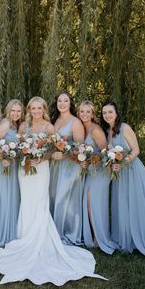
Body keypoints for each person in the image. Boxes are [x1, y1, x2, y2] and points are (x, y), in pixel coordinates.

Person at [0, 97, 105, 285]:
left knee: (39, 201)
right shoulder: (23, 127)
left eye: (40, 108)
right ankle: (24, 236)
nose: (36, 111)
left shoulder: (48, 127)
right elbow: (19, 148)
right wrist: (21, 156)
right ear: (29, 109)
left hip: (41, 169)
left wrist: (42, 158)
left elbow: (56, 148)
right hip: (24, 169)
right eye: (33, 108)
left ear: (44, 109)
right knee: (27, 201)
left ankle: (40, 238)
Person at [101, 100, 145, 257]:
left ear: (116, 113)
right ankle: (126, 238)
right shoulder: (108, 131)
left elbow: (136, 150)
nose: (107, 115)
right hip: (119, 172)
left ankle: (141, 238)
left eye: (110, 112)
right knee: (122, 203)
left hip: (132, 170)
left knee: (135, 203)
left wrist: (123, 163)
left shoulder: (125, 128)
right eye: (104, 113)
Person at [0, 99, 24, 248]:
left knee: (9, 197)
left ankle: (8, 232)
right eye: (13, 110)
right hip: (0, 165)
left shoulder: (17, 125)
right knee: (2, 197)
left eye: (18, 111)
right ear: (8, 111)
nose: (15, 113)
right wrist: (0, 155)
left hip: (10, 164)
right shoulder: (6, 123)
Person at [78, 101, 116, 254]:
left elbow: (106, 153)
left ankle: (99, 238)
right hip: (92, 171)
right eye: (82, 112)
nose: (85, 114)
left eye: (88, 112)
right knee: (88, 202)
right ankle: (93, 236)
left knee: (93, 202)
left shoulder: (95, 130)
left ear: (93, 114)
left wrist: (91, 159)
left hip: (101, 172)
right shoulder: (84, 129)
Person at [49, 92, 84, 245]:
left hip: (70, 166)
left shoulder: (75, 122)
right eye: (59, 100)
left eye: (66, 100)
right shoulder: (54, 121)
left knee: (64, 200)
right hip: (55, 165)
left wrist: (64, 154)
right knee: (54, 197)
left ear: (70, 103)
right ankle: (52, 231)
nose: (62, 103)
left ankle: (68, 232)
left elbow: (81, 148)